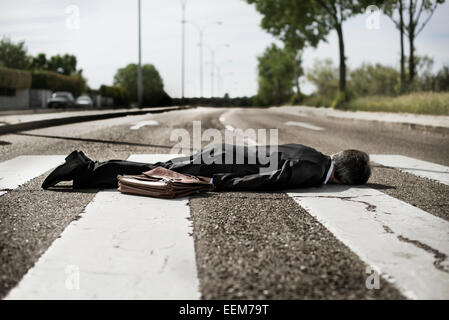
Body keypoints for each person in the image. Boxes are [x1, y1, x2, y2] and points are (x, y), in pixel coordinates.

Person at [41, 143, 371, 191]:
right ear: (344, 178)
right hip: (223, 165)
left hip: (226, 153)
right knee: (158, 171)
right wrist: (216, 182)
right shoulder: (313, 171)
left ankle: (84, 168)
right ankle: (83, 169)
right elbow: (264, 180)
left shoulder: (314, 153)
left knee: (160, 167)